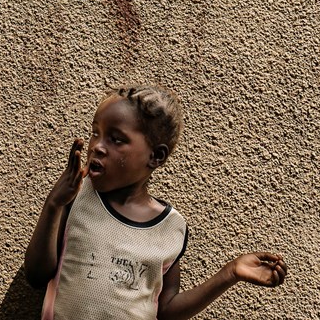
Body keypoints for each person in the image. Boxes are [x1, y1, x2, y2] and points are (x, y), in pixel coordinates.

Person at [24, 85, 287, 320]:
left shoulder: (170, 228)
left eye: (116, 139)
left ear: (156, 156)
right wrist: (54, 205)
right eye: (95, 133)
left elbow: (166, 309)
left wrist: (230, 273)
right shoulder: (78, 198)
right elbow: (36, 275)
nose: (97, 146)